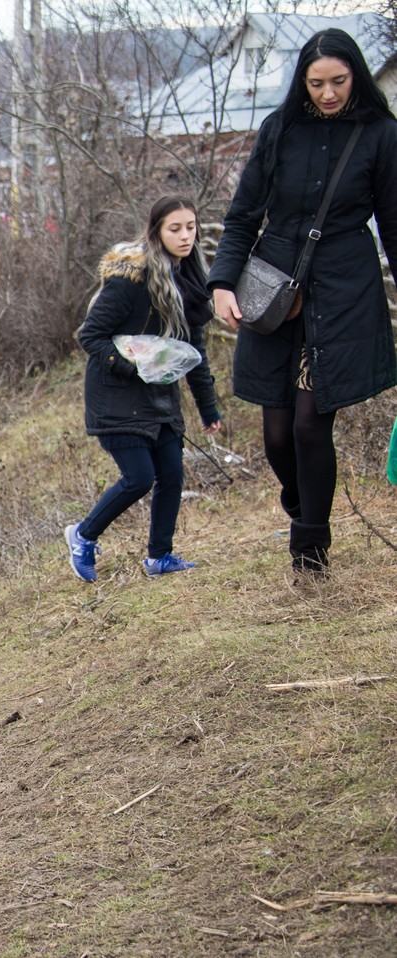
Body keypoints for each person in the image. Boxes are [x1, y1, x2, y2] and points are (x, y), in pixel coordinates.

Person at [209, 28, 397, 579]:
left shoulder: (381, 134)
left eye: (339, 80)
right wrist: (222, 284)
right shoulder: (280, 129)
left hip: (342, 291)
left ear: (356, 75)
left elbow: (394, 226)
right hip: (274, 289)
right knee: (276, 435)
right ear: (302, 81)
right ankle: (303, 504)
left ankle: (310, 551)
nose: (329, 93)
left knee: (311, 426)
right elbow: (243, 215)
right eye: (317, 83)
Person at [66, 196, 223, 583]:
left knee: (172, 474)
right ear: (156, 232)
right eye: (175, 229)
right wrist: (133, 369)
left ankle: (159, 556)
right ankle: (83, 536)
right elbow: (91, 336)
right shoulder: (130, 280)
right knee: (138, 477)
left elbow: (194, 353)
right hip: (115, 394)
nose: (185, 236)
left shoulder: (190, 281)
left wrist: (208, 409)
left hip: (159, 396)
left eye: (191, 227)